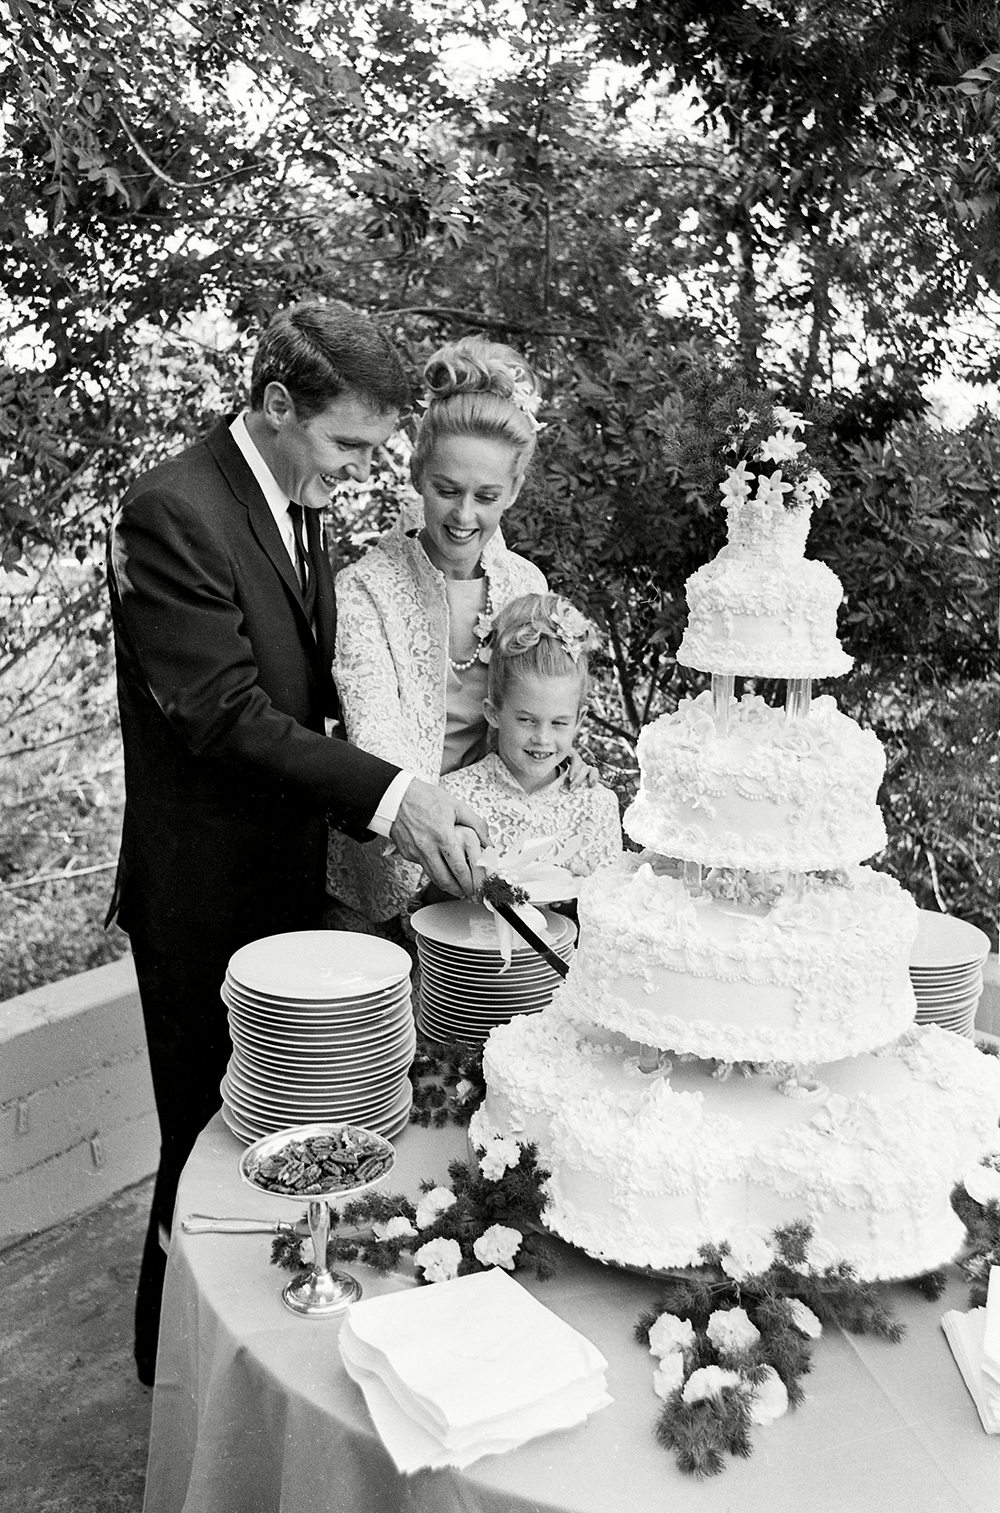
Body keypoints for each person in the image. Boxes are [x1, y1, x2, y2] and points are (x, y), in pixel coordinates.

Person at [106, 301, 488, 1385]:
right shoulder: (169, 510)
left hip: (292, 886)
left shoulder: (296, 500)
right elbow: (224, 713)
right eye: (349, 445)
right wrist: (394, 795)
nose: (361, 470)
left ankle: (272, 1363)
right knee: (203, 1150)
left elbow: (316, 687)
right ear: (277, 404)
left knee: (289, 1151)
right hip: (201, 901)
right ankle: (170, 1371)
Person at [327, 336, 550, 926]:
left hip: (497, 857)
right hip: (388, 857)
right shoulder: (365, 589)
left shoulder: (526, 585)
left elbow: (543, 704)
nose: (463, 516)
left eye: (487, 497)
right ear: (417, 473)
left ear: (515, 492)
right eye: (447, 490)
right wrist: (432, 831)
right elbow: (377, 736)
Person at [441, 592, 622, 879]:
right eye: (527, 720)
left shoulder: (596, 805)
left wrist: (584, 897)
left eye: (559, 723)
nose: (542, 738)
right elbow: (428, 905)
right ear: (493, 713)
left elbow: (608, 912)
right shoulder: (454, 797)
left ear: (580, 720)